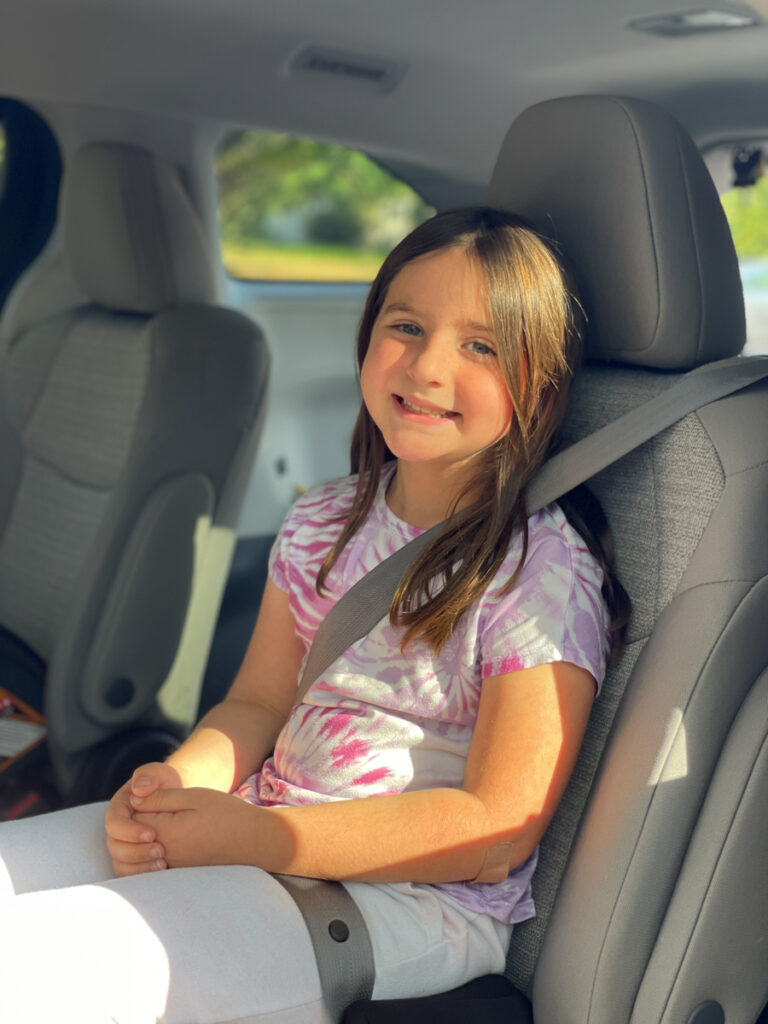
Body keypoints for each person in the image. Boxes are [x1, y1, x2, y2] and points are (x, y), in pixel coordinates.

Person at [0, 207, 627, 1023]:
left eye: (481, 346)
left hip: (405, 904)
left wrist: (259, 842)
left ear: (538, 389)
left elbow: (496, 827)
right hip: (262, 826)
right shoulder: (323, 522)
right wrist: (174, 788)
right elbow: (257, 704)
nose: (430, 365)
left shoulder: (538, 572)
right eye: (406, 326)